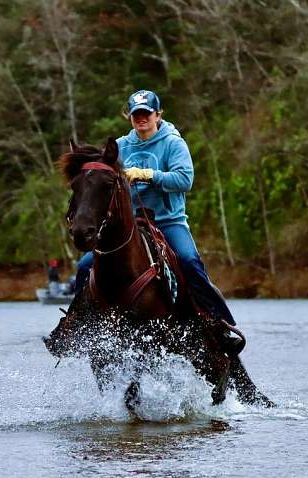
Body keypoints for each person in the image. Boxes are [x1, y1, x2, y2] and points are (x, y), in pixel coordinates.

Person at [75, 89, 243, 355]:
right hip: (131, 225)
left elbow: (185, 180)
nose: (141, 119)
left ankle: (219, 324)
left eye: (146, 114)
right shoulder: (120, 147)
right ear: (128, 116)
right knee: (85, 265)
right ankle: (78, 326)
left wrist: (149, 174)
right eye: (135, 114)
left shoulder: (173, 143)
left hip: (168, 221)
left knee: (188, 261)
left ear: (158, 115)